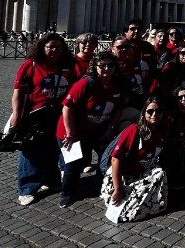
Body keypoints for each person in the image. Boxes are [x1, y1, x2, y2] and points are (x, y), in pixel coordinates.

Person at [10, 33, 76, 206]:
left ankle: (51, 180)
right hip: (35, 113)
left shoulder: (68, 65)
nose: (55, 51)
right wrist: (16, 115)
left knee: (53, 148)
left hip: (58, 113)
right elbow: (18, 92)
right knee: (31, 150)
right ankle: (27, 188)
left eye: (59, 47)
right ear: (42, 47)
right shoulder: (30, 65)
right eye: (50, 47)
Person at [57, 51, 125, 207]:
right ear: (95, 66)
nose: (106, 69)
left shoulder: (118, 83)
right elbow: (67, 108)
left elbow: (119, 107)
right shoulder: (86, 83)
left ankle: (101, 185)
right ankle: (67, 193)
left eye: (110, 65)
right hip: (70, 129)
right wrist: (70, 133)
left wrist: (111, 127)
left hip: (96, 128)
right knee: (73, 163)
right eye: (102, 65)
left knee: (106, 156)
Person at [100, 97, 168, 222]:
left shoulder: (161, 130)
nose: (155, 114)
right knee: (125, 214)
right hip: (124, 175)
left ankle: (150, 205)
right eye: (150, 111)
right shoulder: (133, 130)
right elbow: (115, 159)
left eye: (159, 111)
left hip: (142, 171)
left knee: (160, 172)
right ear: (143, 113)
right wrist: (118, 187)